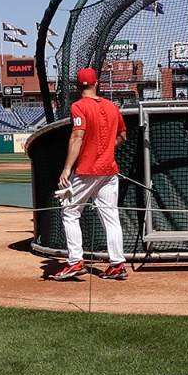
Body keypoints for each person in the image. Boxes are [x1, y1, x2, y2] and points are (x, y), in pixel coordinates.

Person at [54, 67, 129, 281]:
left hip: (87, 170)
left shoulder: (79, 106)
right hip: (109, 171)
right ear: (97, 83)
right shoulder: (112, 106)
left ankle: (75, 262)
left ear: (78, 87)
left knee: (69, 211)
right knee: (111, 217)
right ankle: (117, 264)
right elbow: (123, 136)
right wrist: (106, 149)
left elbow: (77, 137)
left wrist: (67, 168)